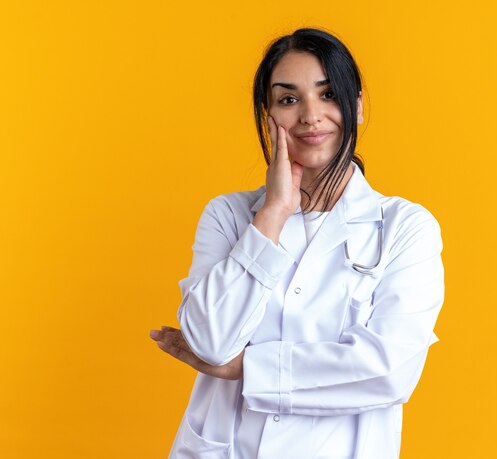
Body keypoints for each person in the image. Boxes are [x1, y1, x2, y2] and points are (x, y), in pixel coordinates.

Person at [150, 27, 444, 459]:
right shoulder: (230, 216)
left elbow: (388, 372)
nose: (310, 115)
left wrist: (245, 369)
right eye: (288, 99)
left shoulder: (405, 227)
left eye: (327, 95)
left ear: (357, 106)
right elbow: (209, 342)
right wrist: (272, 214)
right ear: (267, 114)